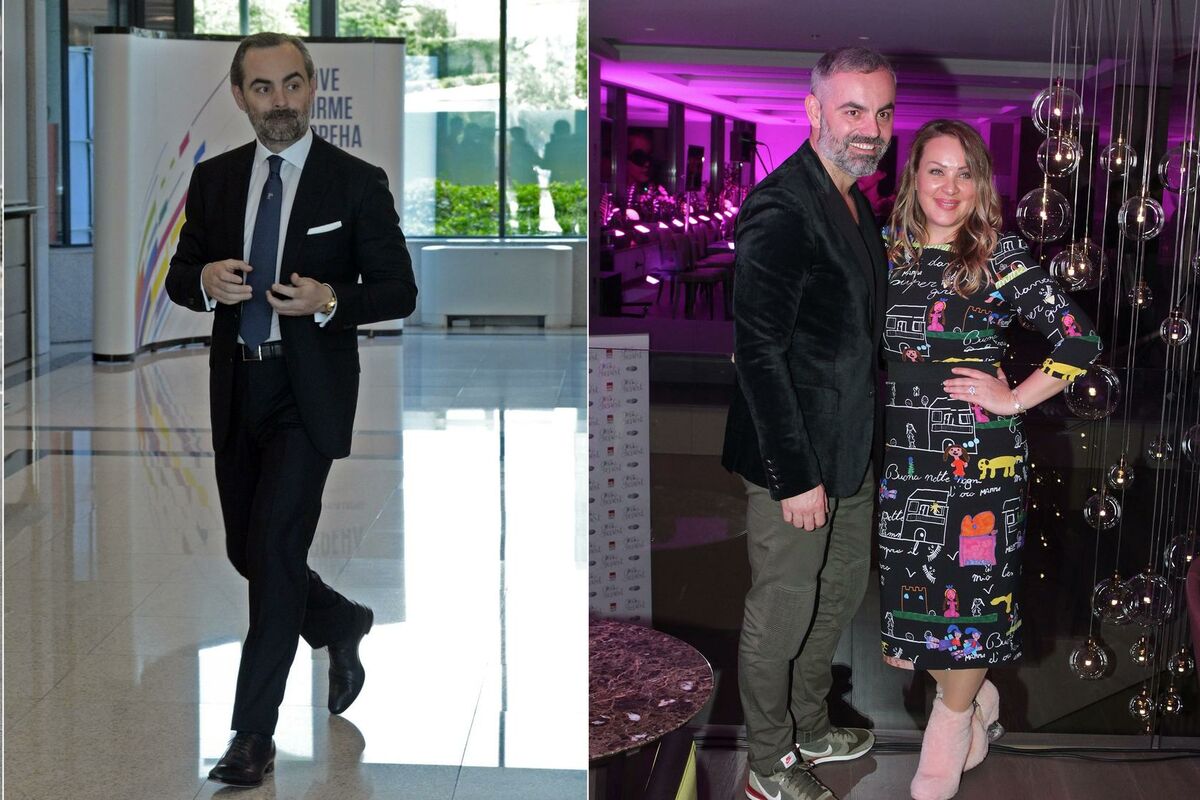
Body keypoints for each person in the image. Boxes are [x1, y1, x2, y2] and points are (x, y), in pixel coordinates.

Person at [165, 32, 417, 787]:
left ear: (311, 86)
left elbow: (399, 290)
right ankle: (339, 619)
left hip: (309, 393)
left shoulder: (355, 182)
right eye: (263, 87)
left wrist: (331, 298)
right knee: (246, 550)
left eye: (293, 84)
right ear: (240, 95)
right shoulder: (214, 180)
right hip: (238, 386)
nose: (280, 102)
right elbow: (181, 274)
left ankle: (253, 733)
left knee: (274, 551)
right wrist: (205, 279)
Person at [877, 119, 1100, 800]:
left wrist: (1014, 399)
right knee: (913, 612)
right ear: (913, 178)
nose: (950, 187)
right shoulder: (885, 252)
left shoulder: (998, 256)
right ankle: (976, 698)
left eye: (965, 173)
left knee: (971, 598)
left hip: (982, 464)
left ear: (981, 185)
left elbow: (1080, 340)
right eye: (936, 170)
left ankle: (949, 724)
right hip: (906, 460)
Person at [721, 46, 895, 800]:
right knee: (784, 608)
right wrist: (794, 477)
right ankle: (767, 762)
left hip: (849, 449)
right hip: (793, 460)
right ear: (813, 110)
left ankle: (809, 724)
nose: (870, 129)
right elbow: (757, 354)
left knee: (839, 592)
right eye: (853, 110)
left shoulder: (852, 200)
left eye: (882, 112)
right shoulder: (783, 208)